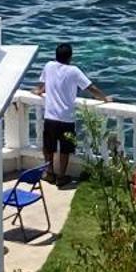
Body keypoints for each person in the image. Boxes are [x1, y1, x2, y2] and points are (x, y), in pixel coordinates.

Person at [34, 42, 109, 186]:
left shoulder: (49, 66)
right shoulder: (74, 71)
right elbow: (90, 87)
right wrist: (105, 98)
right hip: (67, 117)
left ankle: (49, 173)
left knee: (48, 147)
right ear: (70, 57)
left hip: (50, 116)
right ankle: (61, 176)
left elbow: (44, 85)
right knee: (65, 149)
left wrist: (38, 91)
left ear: (56, 56)